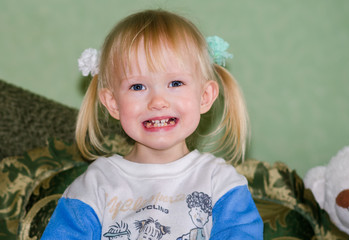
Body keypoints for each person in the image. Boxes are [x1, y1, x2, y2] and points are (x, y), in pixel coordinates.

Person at [41, 9, 263, 240]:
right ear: (113, 103)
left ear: (205, 96)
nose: (158, 102)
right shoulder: (94, 186)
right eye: (138, 87)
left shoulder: (221, 183)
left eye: (175, 83)